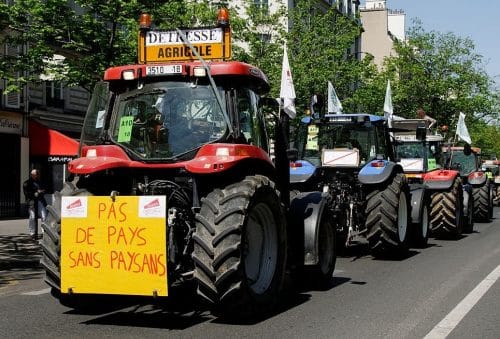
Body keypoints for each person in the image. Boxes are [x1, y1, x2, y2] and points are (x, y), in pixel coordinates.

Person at [23, 169, 48, 240]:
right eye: (32, 174)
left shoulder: (40, 182)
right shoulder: (26, 183)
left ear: (37, 175)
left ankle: (45, 232)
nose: (33, 176)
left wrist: (40, 192)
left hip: (40, 201)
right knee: (32, 217)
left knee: (44, 216)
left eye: (34, 174)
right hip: (32, 202)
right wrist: (34, 194)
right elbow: (26, 193)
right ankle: (32, 233)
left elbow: (45, 190)